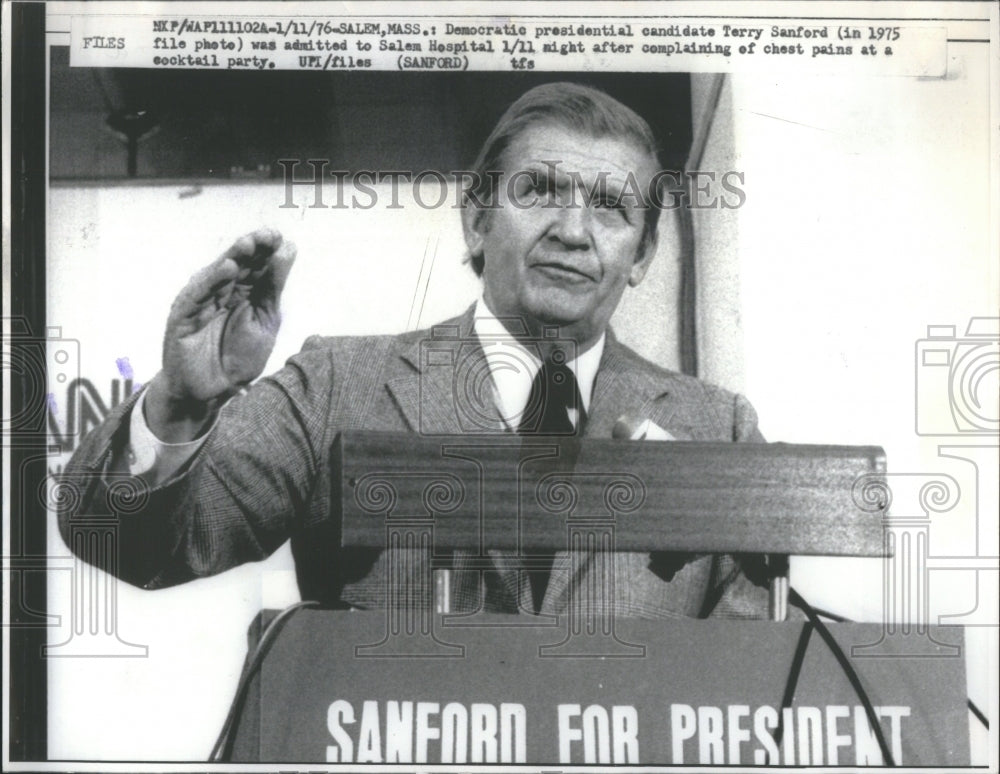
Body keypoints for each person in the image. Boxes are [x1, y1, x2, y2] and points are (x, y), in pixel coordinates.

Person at [59, 82, 769, 618]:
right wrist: (181, 403)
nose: (574, 231)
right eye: (541, 191)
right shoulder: (339, 387)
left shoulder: (718, 430)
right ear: (477, 218)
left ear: (642, 255)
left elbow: (767, 679)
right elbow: (126, 545)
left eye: (611, 208)